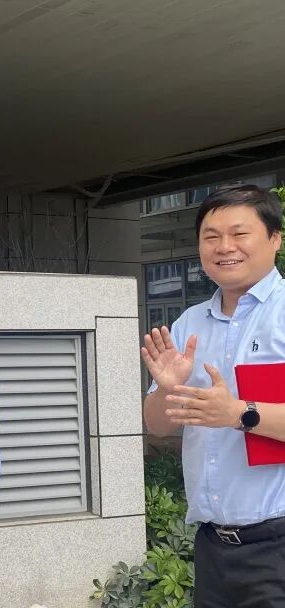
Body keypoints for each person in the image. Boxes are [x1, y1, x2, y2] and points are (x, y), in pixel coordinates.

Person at [141, 184, 285, 607]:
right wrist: (169, 390)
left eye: (239, 234)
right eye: (211, 236)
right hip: (212, 546)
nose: (224, 247)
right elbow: (158, 425)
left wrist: (240, 413)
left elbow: (237, 414)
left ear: (275, 239)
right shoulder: (189, 323)